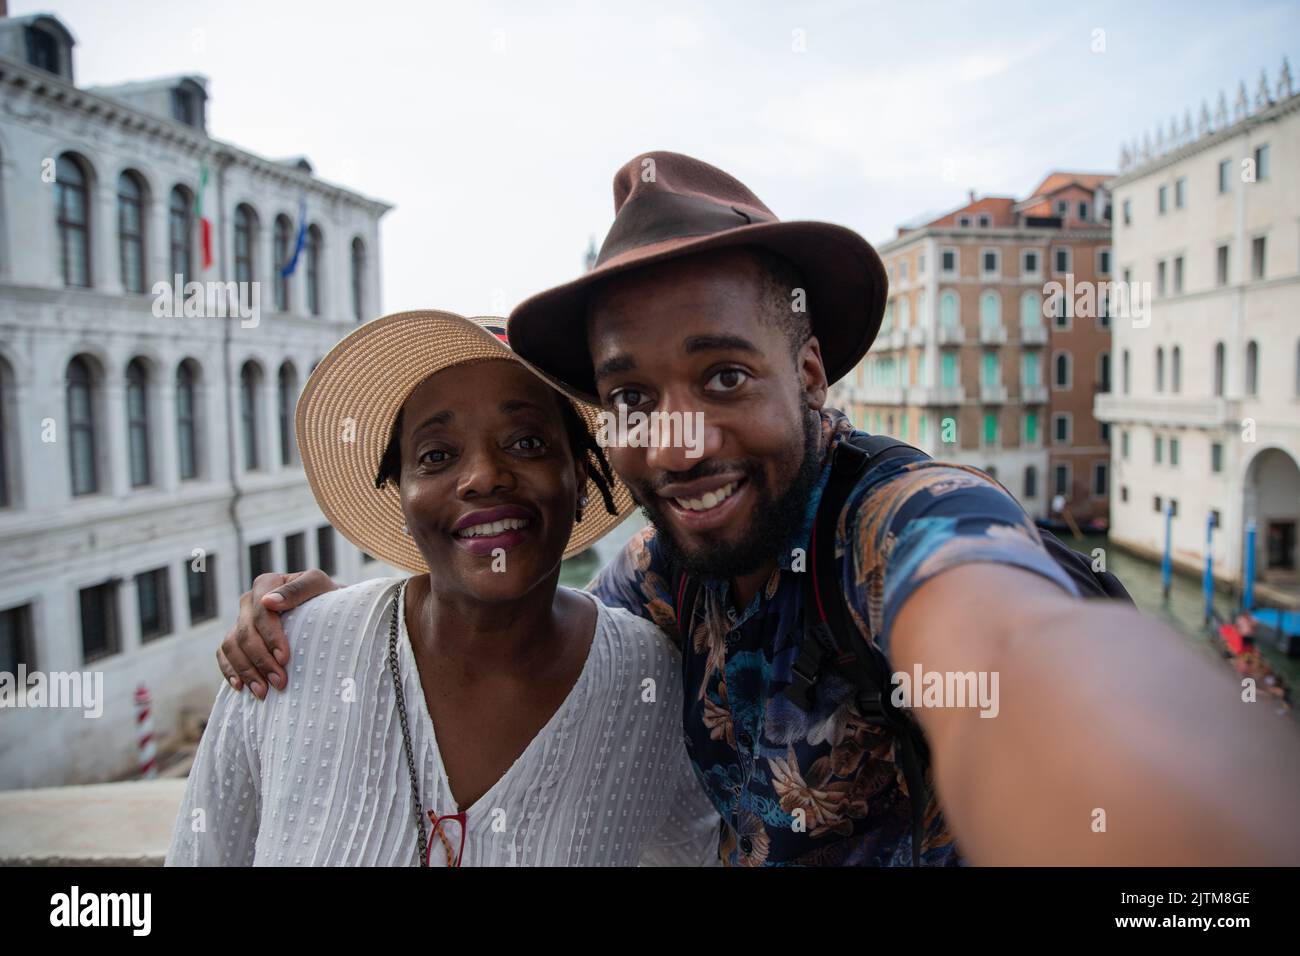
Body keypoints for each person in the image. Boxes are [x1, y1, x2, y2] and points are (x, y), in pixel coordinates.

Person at [217, 154, 1300, 866]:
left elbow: (1011, 647)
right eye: (633, 395)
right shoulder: (656, 573)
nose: (679, 438)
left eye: (723, 376)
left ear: (811, 373)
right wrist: (336, 618)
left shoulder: (904, 518)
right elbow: (517, 614)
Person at [168, 311, 721, 866]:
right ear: (402, 498)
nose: (483, 475)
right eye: (436, 455)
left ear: (580, 475)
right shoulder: (287, 657)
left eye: (527, 442)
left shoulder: (652, 684)